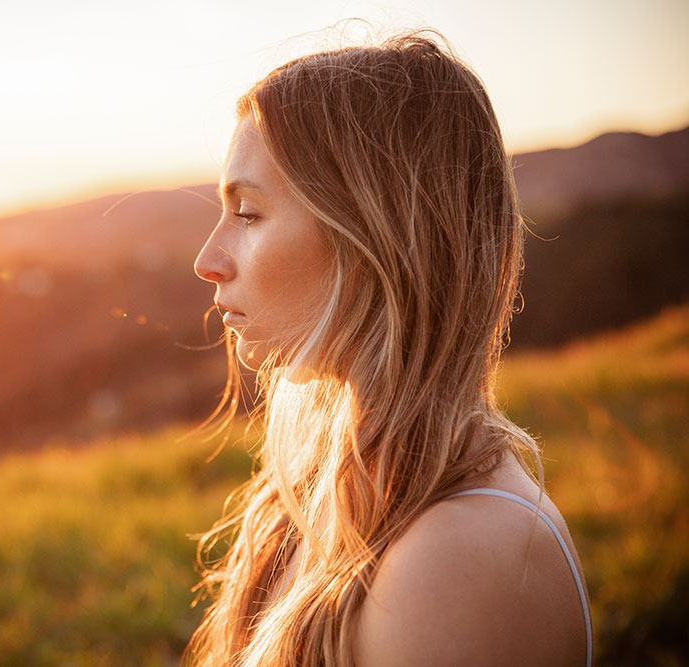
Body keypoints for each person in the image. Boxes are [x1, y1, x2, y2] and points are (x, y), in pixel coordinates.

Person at [187, 31, 592, 666]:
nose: (207, 261)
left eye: (248, 213)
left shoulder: (463, 558)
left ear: (373, 236)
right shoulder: (305, 498)